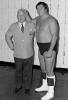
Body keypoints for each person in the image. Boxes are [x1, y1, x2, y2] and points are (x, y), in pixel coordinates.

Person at [5, 8, 35, 95]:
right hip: (18, 54)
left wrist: (28, 17)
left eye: (22, 15)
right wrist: (11, 46)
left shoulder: (31, 25)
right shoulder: (13, 26)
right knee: (18, 71)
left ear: (26, 16)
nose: (20, 17)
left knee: (28, 72)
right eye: (18, 15)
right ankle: (19, 85)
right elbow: (7, 36)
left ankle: (27, 87)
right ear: (16, 16)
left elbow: (36, 28)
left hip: (29, 54)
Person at [34, 2, 60, 100]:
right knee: (43, 68)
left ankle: (51, 91)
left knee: (49, 71)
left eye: (40, 8)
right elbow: (29, 21)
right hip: (40, 46)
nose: (38, 10)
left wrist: (50, 50)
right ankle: (44, 86)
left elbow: (55, 36)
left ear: (46, 8)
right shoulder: (38, 19)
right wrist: (25, 14)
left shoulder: (51, 20)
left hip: (49, 46)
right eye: (37, 8)